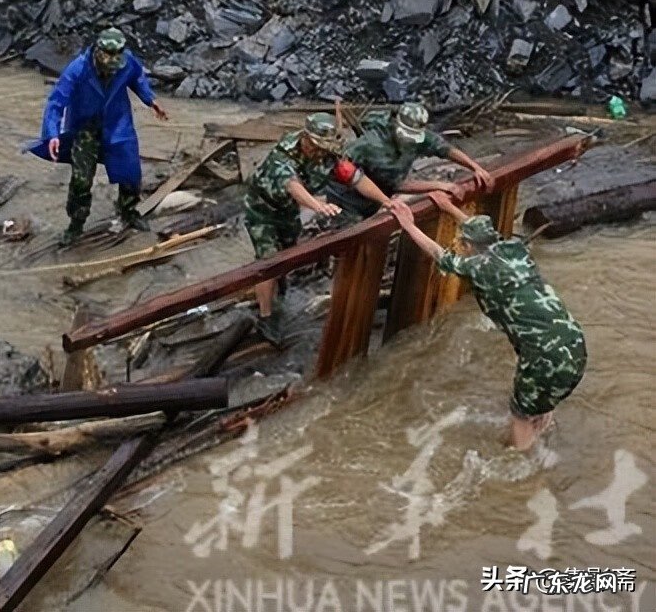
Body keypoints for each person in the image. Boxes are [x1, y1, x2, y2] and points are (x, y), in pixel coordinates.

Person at [392, 192, 587, 451]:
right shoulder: (515, 250)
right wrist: (449, 206)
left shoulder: (477, 267)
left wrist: (408, 225)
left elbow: (439, 255)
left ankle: (520, 474)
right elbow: (482, 233)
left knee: (521, 414)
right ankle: (541, 445)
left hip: (544, 355)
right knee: (538, 408)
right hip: (575, 344)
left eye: (463, 243)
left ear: (469, 246)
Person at [244, 112, 410, 341]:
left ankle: (278, 291)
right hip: (262, 210)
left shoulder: (328, 156)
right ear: (306, 138)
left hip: (288, 212)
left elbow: (355, 178)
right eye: (316, 146)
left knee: (285, 255)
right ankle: (266, 317)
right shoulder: (282, 157)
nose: (319, 152)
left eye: (323, 148)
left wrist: (385, 201)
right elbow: (293, 186)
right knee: (268, 260)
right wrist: (316, 206)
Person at [27, 27, 169, 244]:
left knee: (130, 172)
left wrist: (151, 100)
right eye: (109, 59)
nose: (114, 65)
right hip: (85, 128)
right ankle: (76, 223)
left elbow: (137, 79)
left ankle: (128, 211)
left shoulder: (127, 62)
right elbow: (56, 103)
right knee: (81, 180)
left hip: (117, 123)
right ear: (98, 53)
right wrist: (53, 134)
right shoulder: (78, 70)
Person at [334, 102, 493, 219]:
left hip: (377, 197)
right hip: (348, 198)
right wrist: (439, 185)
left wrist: (474, 167)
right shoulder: (372, 145)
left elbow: (443, 148)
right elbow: (397, 185)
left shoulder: (418, 137)